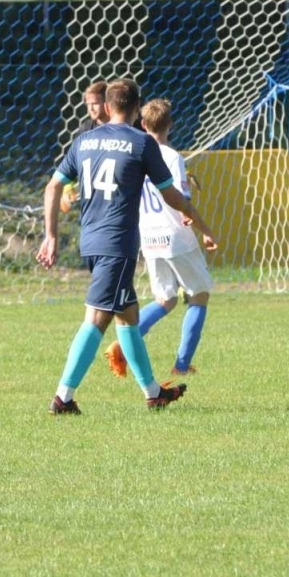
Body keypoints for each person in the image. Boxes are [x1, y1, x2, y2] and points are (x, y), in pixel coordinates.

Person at [37, 79, 217, 414]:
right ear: (137, 111)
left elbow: (53, 187)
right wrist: (191, 211)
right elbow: (169, 193)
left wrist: (50, 235)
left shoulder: (83, 141)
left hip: (90, 240)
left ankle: (153, 393)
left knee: (129, 317)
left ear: (106, 107)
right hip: (117, 243)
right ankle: (63, 397)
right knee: (96, 320)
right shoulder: (141, 143)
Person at [103, 99, 217, 380]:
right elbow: (182, 200)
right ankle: (181, 365)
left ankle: (122, 344)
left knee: (165, 300)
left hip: (149, 236)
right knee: (198, 296)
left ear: (142, 124)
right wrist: (205, 230)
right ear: (171, 125)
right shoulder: (170, 156)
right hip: (176, 236)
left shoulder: (135, 153)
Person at [60, 81, 110, 213]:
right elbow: (72, 162)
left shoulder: (121, 128)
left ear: (107, 103)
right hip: (92, 203)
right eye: (88, 104)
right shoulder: (85, 130)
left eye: (95, 103)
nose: (91, 108)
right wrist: (68, 187)